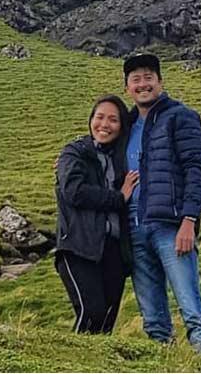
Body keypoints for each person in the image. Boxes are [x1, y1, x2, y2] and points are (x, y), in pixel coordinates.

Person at [123, 53, 201, 365]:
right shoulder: (125, 125)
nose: (143, 84)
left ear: (160, 82)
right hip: (135, 230)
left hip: (171, 228)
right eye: (136, 79)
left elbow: (196, 168)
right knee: (153, 323)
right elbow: (96, 143)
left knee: (193, 314)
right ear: (127, 87)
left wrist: (189, 220)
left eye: (148, 77)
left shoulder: (181, 116)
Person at [54, 95, 140, 334]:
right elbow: (75, 192)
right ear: (90, 120)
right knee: (91, 313)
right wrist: (119, 197)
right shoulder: (74, 152)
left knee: (106, 323)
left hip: (113, 251)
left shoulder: (121, 159)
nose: (105, 124)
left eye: (113, 119)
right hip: (78, 247)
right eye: (99, 117)